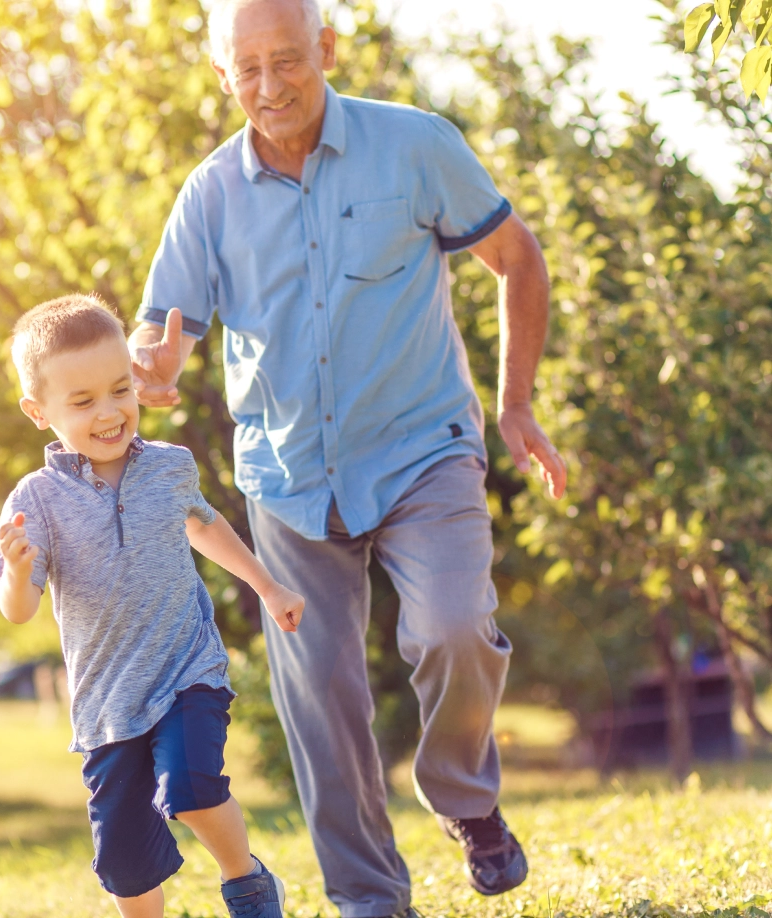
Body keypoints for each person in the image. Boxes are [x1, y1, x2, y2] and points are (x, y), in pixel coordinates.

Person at [128, 1, 569, 915]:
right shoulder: (208, 194)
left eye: (287, 61)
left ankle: (462, 797)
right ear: (221, 76)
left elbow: (515, 257)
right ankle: (371, 900)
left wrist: (516, 404)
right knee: (320, 702)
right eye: (245, 70)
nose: (268, 87)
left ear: (326, 49)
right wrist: (155, 365)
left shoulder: (413, 145)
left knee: (452, 627)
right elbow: (156, 330)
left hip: (423, 448)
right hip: (288, 479)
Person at [0, 295, 306, 918]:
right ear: (38, 411)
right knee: (126, 865)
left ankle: (247, 882)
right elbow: (18, 609)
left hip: (186, 670)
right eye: (82, 403)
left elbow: (204, 526)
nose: (109, 413)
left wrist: (268, 587)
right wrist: (20, 573)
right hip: (106, 705)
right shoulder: (37, 499)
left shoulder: (169, 466)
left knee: (189, 788)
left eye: (120, 390)